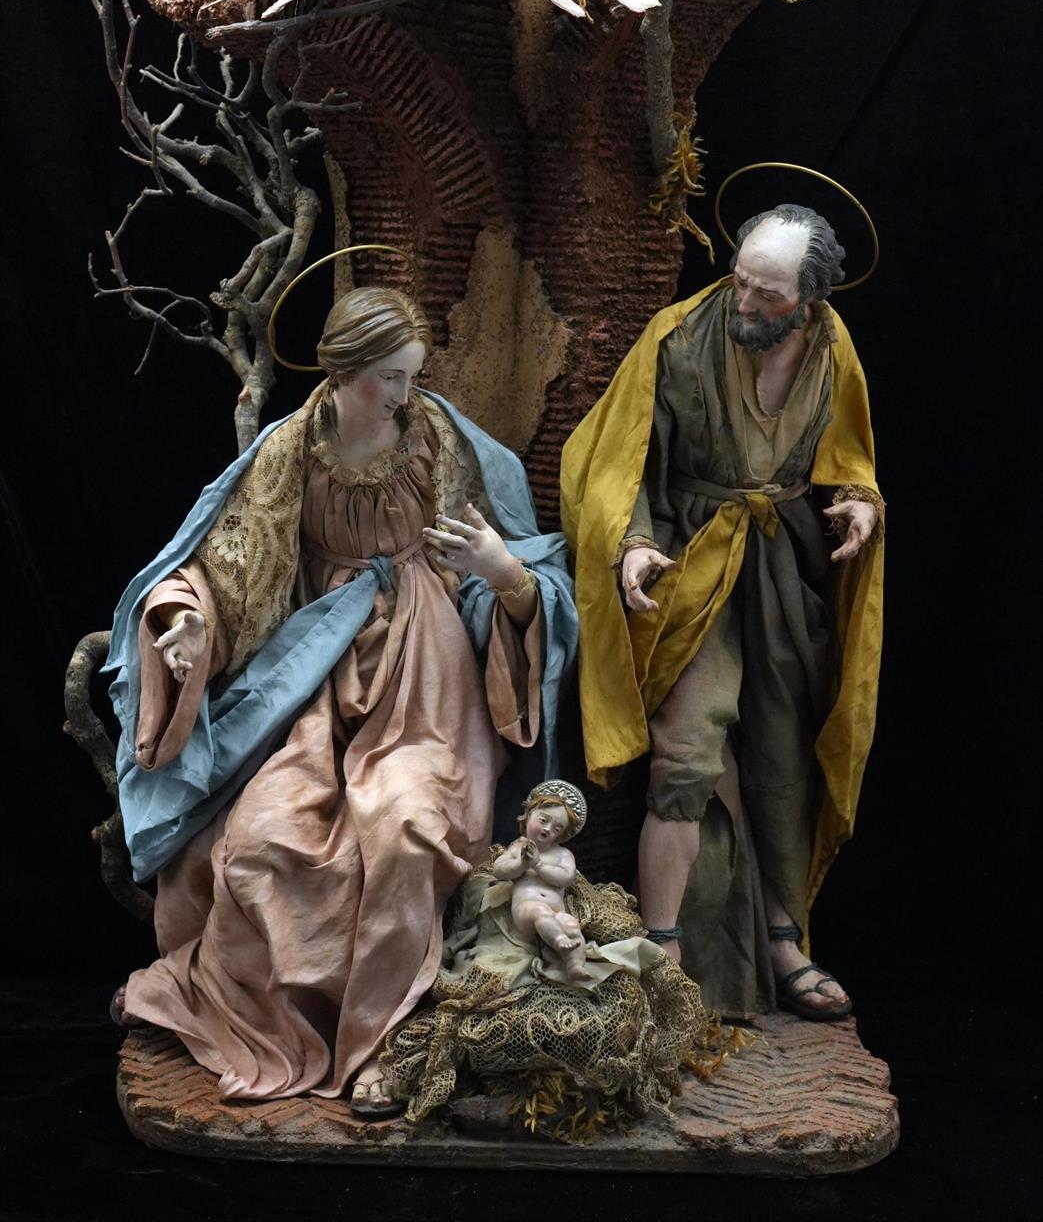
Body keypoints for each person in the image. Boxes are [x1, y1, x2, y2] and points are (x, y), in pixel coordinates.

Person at [105, 285, 577, 1115]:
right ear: (342, 369)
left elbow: (518, 566)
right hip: (317, 671)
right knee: (260, 838)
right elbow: (227, 567)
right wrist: (186, 624)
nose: (403, 394)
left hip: (427, 683)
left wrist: (502, 573)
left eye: (411, 376)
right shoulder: (290, 452)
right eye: (388, 377)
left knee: (405, 830)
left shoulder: (441, 442)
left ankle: (383, 1045)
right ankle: (252, 1013)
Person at [560, 204, 884, 1021]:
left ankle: (783, 940)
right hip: (693, 562)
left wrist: (857, 500)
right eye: (739, 280)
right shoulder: (676, 338)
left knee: (782, 756)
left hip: (782, 567)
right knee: (684, 754)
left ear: (809, 298)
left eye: (766, 294)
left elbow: (848, 451)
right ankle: (659, 953)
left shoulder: (833, 344)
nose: (743, 301)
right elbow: (616, 460)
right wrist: (634, 543)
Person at [492, 783, 588, 981]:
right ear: (528, 816)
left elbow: (566, 877)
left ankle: (575, 965)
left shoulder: (563, 854)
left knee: (571, 924)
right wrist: (521, 864)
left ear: (561, 835)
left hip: (556, 912)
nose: (547, 829)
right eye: (543, 820)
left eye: (557, 828)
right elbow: (499, 870)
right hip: (526, 910)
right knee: (539, 910)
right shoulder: (517, 848)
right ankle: (559, 940)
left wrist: (538, 865)